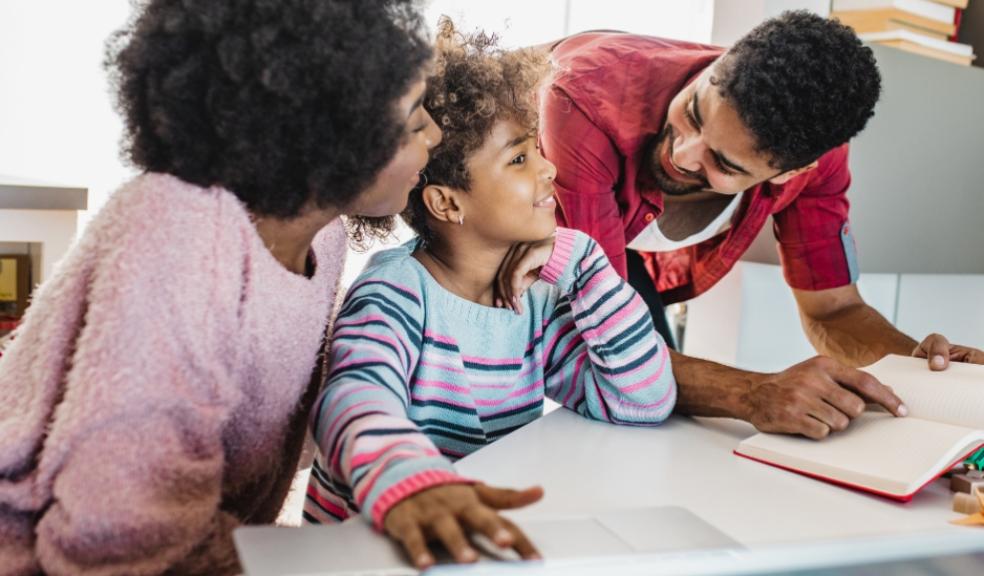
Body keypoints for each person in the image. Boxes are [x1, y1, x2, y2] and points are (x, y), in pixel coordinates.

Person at [0, 1, 442, 574]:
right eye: (413, 121)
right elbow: (112, 538)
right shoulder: (175, 234)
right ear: (323, 134)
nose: (435, 133)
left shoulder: (324, 240)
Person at [303, 22, 677, 569]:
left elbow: (643, 401)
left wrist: (585, 262)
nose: (549, 168)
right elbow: (352, 397)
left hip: (466, 547)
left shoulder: (535, 296)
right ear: (447, 203)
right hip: (366, 553)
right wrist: (411, 481)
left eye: (537, 149)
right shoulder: (396, 294)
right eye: (519, 159)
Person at [537, 10, 982, 441]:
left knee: (658, 425)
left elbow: (833, 310)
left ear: (792, 172)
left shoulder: (817, 159)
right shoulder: (586, 102)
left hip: (613, 261)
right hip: (510, 237)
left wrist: (920, 368)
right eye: (693, 112)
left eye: (724, 164)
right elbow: (607, 342)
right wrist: (751, 392)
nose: (683, 155)